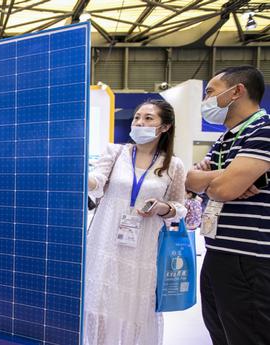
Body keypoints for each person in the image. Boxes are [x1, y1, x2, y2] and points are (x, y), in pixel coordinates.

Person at [84, 99, 187, 345]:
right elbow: (98, 180)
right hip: (105, 241)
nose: (140, 122)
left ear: (165, 127)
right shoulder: (116, 152)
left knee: (134, 309)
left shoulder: (173, 164)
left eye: (148, 118)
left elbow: (180, 207)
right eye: (137, 117)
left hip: (143, 248)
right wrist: (82, 177)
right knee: (99, 304)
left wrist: (164, 208)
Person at [185, 65, 270, 345]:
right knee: (221, 334)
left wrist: (219, 181)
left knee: (249, 336)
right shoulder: (224, 138)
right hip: (216, 252)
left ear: (237, 91)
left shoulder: (264, 130)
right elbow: (191, 179)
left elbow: (222, 189)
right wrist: (229, 175)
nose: (206, 100)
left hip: (250, 260)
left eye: (211, 92)